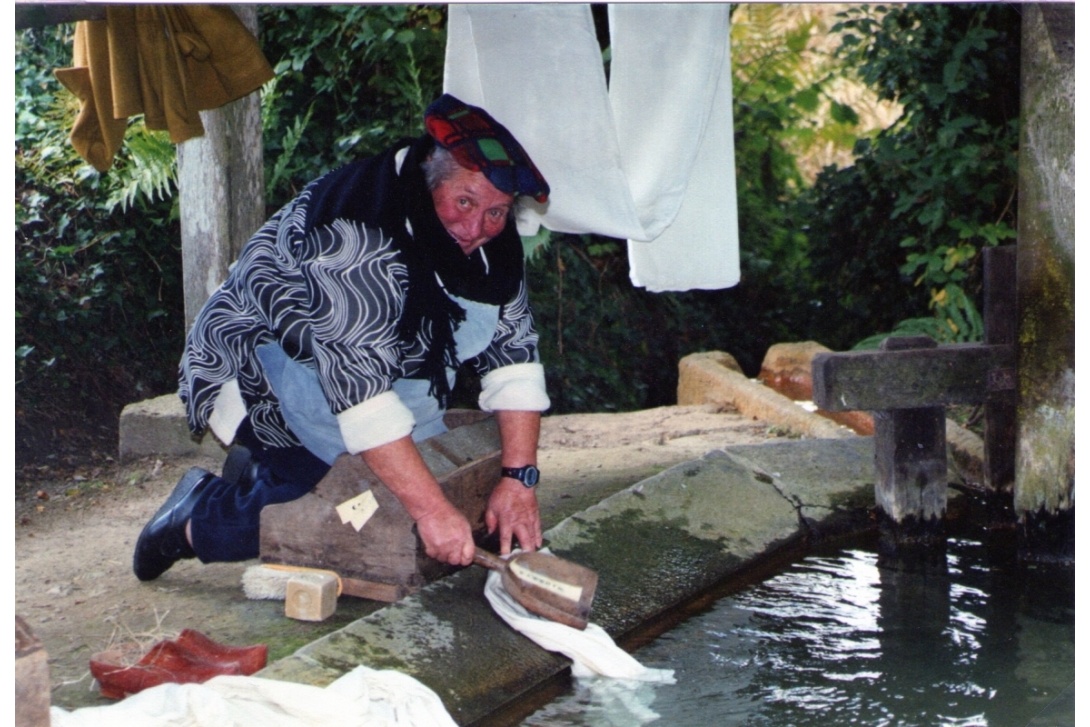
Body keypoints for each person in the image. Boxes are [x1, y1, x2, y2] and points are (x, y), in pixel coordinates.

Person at [134, 94, 552, 582]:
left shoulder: (491, 241)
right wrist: (432, 511)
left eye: (496, 212)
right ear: (428, 179)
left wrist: (519, 479)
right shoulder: (358, 241)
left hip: (388, 368)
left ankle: (262, 468)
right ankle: (192, 516)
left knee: (429, 482)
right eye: (464, 202)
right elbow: (362, 398)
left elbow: (515, 351)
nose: (477, 227)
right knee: (353, 503)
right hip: (263, 361)